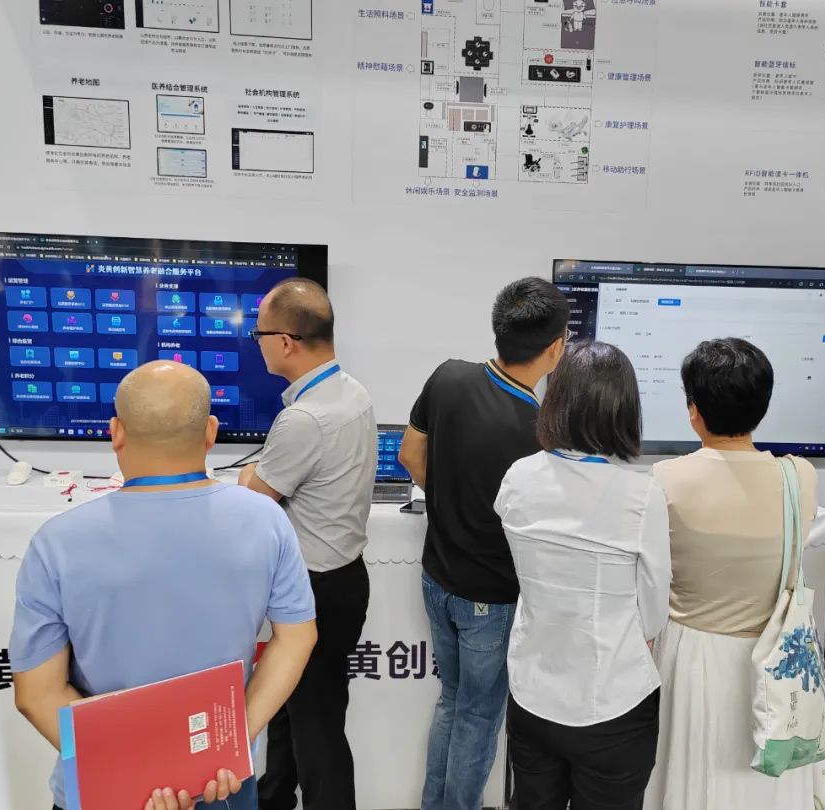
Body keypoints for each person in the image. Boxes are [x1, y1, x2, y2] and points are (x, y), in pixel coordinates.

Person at [10, 360, 318, 810]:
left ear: (116, 432)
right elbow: (296, 638)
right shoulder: (265, 519)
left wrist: (138, 771)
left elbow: (36, 694)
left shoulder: (57, 541)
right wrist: (228, 744)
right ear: (211, 432)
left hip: (105, 786)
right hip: (222, 781)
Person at [398, 277, 570, 810]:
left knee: (452, 702)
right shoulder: (541, 432)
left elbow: (409, 455)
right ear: (556, 348)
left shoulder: (447, 376)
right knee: (478, 716)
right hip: (490, 601)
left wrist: (449, 496)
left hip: (437, 579)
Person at [494, 341, 671, 810]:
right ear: (624, 410)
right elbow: (654, 610)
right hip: (613, 700)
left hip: (533, 692)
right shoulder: (641, 495)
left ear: (557, 401)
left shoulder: (518, 477)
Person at [650, 338, 818, 810]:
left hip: (692, 655)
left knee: (691, 776)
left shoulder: (664, 478)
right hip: (778, 655)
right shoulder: (800, 475)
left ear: (694, 410)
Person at [241, 279, 377, 810]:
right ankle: (274, 797)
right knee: (290, 709)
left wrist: (252, 473)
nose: (258, 344)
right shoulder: (352, 391)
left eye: (259, 335)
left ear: (286, 342)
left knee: (317, 728)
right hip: (343, 579)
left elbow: (254, 499)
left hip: (315, 590)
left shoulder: (303, 418)